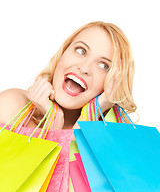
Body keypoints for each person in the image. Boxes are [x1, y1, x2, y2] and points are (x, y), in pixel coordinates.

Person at [0, 21, 137, 129]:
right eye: (81, 51)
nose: (84, 68)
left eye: (104, 66)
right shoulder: (10, 105)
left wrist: (94, 111)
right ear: (63, 53)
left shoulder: (113, 140)